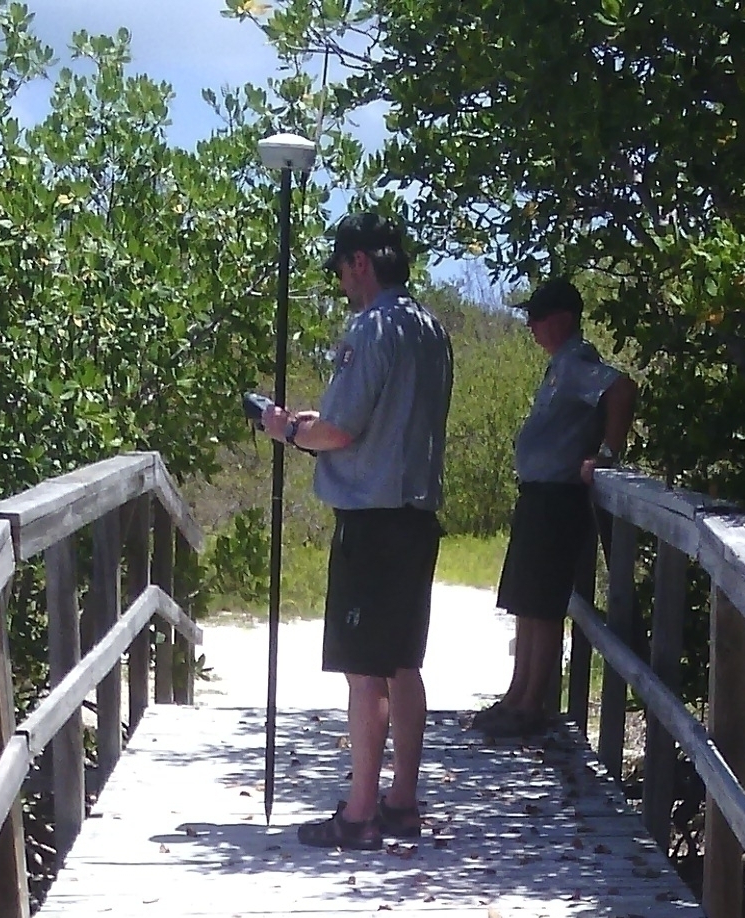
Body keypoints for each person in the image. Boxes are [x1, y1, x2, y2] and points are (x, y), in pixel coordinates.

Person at [258, 211, 454, 849]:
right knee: (404, 663)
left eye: (342, 271)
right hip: (416, 517)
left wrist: (288, 430)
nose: (342, 284)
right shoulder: (430, 329)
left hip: (371, 523)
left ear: (360, 262)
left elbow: (340, 431)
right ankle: (401, 801)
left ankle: (360, 813)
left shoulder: (370, 329)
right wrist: (317, 422)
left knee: (365, 672)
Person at [473, 277, 637, 738]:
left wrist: (607, 454)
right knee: (525, 601)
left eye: (537, 317)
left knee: (543, 604)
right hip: (538, 495)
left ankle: (531, 705)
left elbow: (622, 389)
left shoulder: (577, 361)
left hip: (558, 497)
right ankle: (516, 695)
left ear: (562, 319)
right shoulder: (559, 366)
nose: (530, 325)